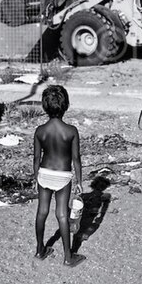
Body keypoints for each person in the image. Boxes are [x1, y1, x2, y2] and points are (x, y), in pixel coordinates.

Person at [32, 85, 86, 267]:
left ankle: (40, 250)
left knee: (42, 212)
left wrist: (34, 179)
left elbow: (36, 158)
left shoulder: (40, 131)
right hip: (63, 176)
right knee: (62, 214)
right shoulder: (71, 131)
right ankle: (68, 257)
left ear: (44, 107)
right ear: (66, 105)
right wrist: (79, 180)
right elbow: (76, 159)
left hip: (44, 173)